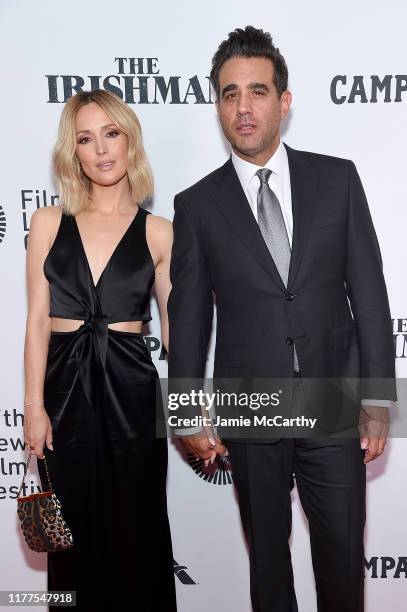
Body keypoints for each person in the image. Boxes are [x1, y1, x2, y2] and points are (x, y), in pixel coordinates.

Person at [168, 27, 396, 612]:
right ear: (217, 103)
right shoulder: (196, 205)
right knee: (268, 564)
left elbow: (369, 294)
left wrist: (377, 400)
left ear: (284, 101)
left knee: (344, 557)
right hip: (250, 406)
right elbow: (188, 320)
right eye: (229, 93)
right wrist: (184, 411)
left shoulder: (337, 178)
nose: (244, 107)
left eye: (259, 91)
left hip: (334, 400)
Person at [23, 89, 177, 611]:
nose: (101, 149)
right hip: (63, 392)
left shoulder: (159, 232)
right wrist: (34, 408)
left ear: (129, 140)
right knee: (70, 535)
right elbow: (37, 323)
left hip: (133, 389)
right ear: (74, 152)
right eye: (85, 139)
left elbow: (175, 334)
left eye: (111, 133)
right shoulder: (47, 223)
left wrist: (189, 408)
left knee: (139, 525)